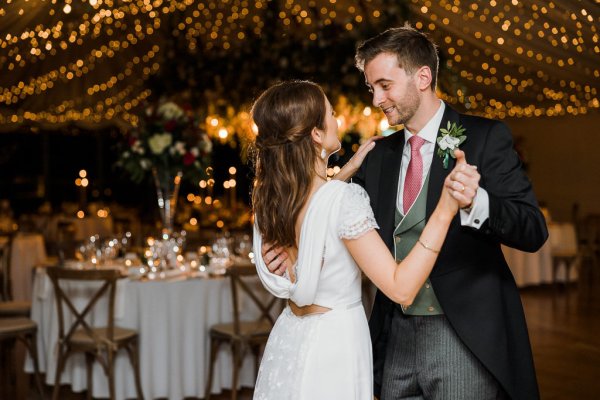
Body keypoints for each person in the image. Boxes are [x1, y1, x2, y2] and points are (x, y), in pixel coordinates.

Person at [264, 27, 548, 400]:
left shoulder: (484, 137)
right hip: (393, 335)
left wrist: (477, 202)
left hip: (462, 334)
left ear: (423, 77)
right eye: (372, 88)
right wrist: (289, 245)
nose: (377, 99)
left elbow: (533, 230)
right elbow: (328, 212)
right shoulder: (379, 154)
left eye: (385, 85)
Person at [251, 80, 467, 399]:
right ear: (315, 134)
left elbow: (315, 213)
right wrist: (445, 210)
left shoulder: (270, 200)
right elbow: (400, 288)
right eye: (331, 112)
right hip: (332, 346)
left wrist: (343, 172)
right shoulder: (343, 200)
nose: (337, 118)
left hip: (289, 338)